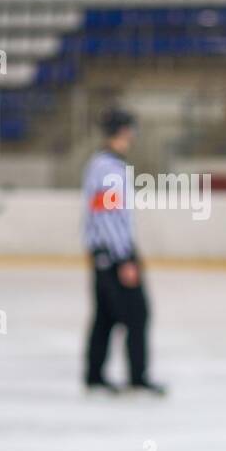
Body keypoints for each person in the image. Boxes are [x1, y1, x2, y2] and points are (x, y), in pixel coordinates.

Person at [81, 107, 165, 396]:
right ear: (124, 131)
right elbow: (106, 216)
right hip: (114, 255)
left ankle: (94, 376)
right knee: (137, 315)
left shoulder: (103, 165)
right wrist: (125, 258)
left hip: (105, 254)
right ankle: (137, 377)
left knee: (105, 316)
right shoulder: (108, 169)